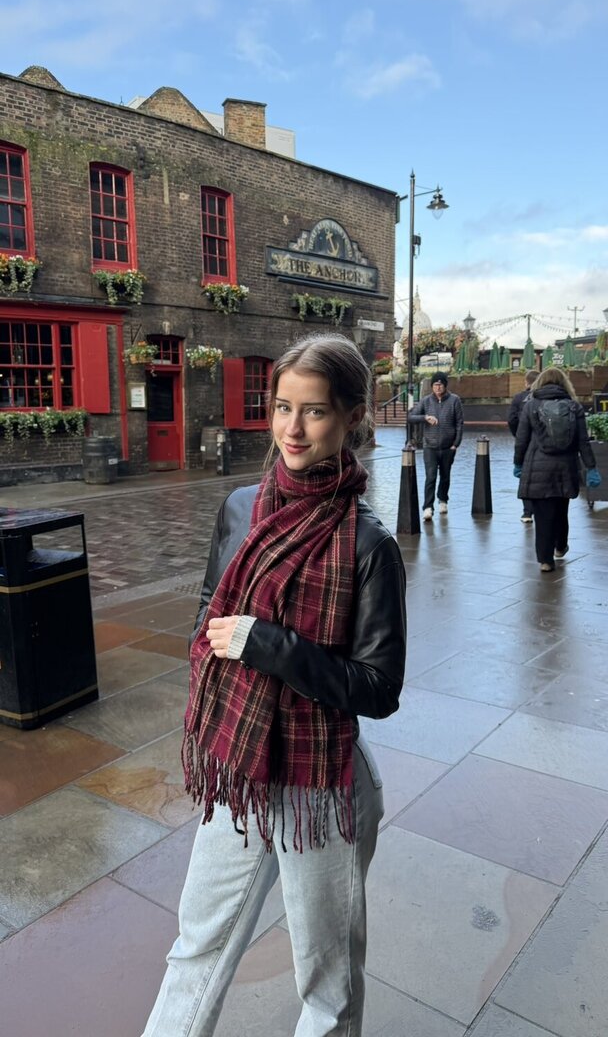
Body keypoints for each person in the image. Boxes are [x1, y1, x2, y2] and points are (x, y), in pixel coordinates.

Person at [142, 333, 407, 1037]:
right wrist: (217, 657)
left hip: (322, 782)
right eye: (282, 407)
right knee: (196, 946)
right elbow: (208, 612)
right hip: (240, 761)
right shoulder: (240, 507)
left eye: (314, 411)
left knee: (326, 981)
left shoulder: (368, 545)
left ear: (351, 416)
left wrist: (271, 646)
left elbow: (379, 687)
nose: (292, 429)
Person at [514, 366, 600, 573]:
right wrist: (591, 467)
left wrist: (518, 463)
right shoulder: (574, 407)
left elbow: (521, 439)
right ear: (564, 384)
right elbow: (583, 442)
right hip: (565, 468)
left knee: (542, 514)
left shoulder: (531, 405)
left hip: (537, 467)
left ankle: (545, 560)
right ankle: (560, 546)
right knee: (561, 510)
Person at [408, 371, 464, 520]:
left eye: (440, 385)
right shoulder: (426, 401)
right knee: (431, 477)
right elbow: (411, 417)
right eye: (435, 385)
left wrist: (456, 444)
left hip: (448, 447)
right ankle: (428, 507)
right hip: (430, 447)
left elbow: (459, 423)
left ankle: (443, 499)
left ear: (445, 386)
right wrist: (425, 417)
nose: (438, 388)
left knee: (445, 476)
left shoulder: (454, 400)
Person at [507, 369, 537, 524]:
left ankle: (527, 512)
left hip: (524, 442)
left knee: (525, 476)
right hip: (541, 443)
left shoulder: (519, 398)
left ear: (526, 382)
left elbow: (511, 419)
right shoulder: (543, 398)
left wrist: (518, 435)